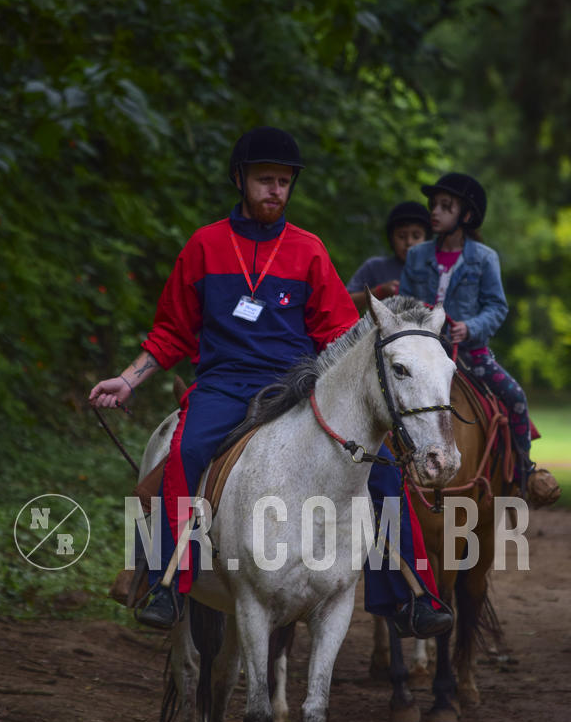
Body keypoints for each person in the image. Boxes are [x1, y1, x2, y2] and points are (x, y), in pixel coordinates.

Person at [89, 126, 453, 635]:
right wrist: (129, 380)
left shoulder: (308, 250)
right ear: (240, 180)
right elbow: (173, 330)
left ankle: (413, 595)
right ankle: (167, 583)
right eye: (265, 180)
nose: (275, 190)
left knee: (385, 465)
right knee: (188, 451)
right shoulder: (204, 246)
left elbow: (336, 334)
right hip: (223, 384)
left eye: (283, 181)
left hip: (297, 386)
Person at [398, 172, 560, 504]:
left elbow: (497, 306)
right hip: (423, 354)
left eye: (446, 206)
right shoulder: (417, 256)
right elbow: (404, 302)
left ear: (466, 216)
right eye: (434, 205)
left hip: (471, 356)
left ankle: (524, 473)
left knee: (515, 397)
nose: (435, 211)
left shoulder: (485, 258)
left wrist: (469, 328)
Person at [347, 201, 432, 312]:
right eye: (402, 236)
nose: (409, 242)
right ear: (391, 239)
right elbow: (344, 303)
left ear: (427, 239)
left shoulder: (437, 269)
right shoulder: (375, 267)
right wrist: (378, 292)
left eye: (416, 236)